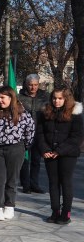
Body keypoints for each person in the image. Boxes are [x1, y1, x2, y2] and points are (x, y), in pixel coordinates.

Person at [0, 86, 35, 221]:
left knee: (12, 178)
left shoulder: (22, 112)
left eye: (2, 97)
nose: (0, 100)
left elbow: (30, 129)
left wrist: (24, 146)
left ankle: (9, 205)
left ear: (11, 98)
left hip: (15, 148)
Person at [36, 87, 83, 224]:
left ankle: (66, 213)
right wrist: (44, 149)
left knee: (66, 182)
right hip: (49, 153)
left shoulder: (75, 113)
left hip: (67, 154)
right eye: (54, 98)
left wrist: (60, 150)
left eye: (60, 98)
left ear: (66, 99)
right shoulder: (45, 112)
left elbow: (76, 137)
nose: (56, 101)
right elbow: (39, 133)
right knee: (53, 182)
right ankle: (55, 211)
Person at [17, 74, 49, 193]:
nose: (33, 87)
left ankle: (34, 184)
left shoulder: (45, 96)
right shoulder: (20, 97)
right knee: (25, 160)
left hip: (39, 133)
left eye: (35, 85)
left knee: (36, 160)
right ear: (26, 84)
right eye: (30, 85)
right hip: (24, 133)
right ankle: (25, 184)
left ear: (38, 84)